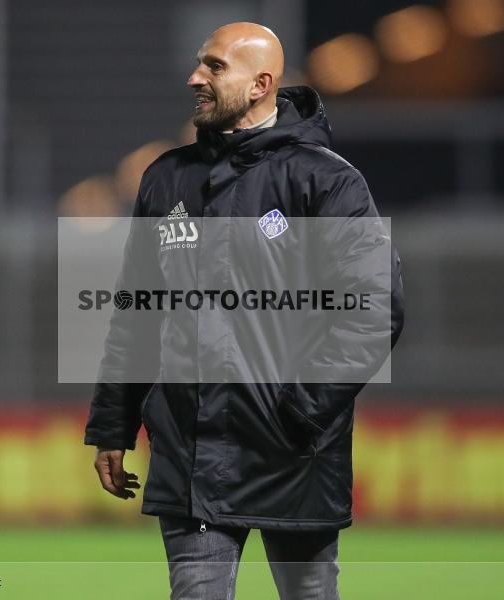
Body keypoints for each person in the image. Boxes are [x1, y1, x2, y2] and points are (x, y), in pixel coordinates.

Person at [84, 22, 404, 600]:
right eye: (198, 64)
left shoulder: (325, 180)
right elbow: (136, 312)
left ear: (261, 84)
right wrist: (114, 421)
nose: (194, 78)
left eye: (213, 67)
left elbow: (375, 307)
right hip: (190, 453)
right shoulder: (166, 178)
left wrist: (302, 409)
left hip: (294, 455)